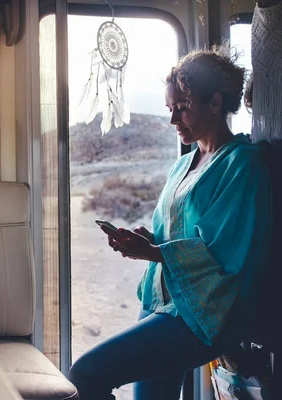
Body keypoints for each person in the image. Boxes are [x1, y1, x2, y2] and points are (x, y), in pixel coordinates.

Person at [68, 45, 273, 400]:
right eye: (170, 109)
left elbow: (226, 250)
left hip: (202, 313)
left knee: (85, 374)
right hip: (163, 302)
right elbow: (174, 234)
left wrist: (155, 252)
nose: (173, 120)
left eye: (183, 108)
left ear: (215, 103)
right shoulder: (182, 165)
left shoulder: (242, 165)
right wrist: (147, 242)